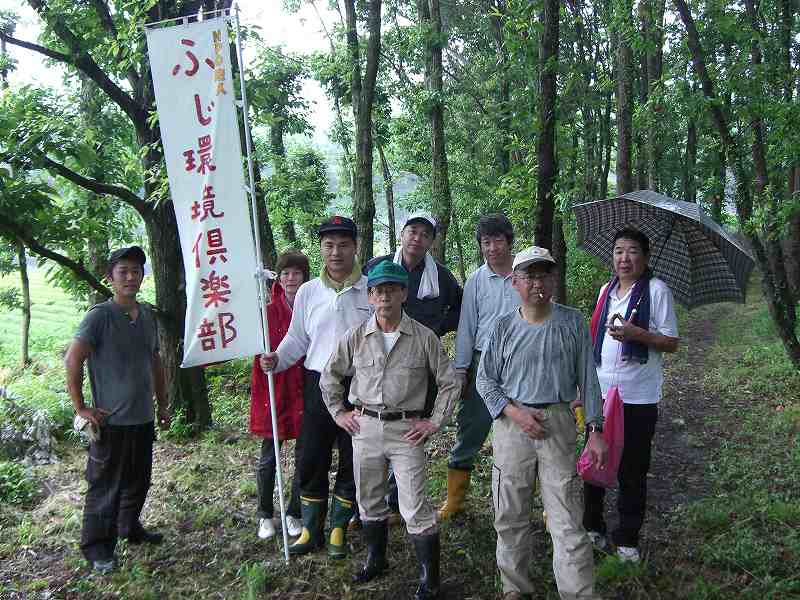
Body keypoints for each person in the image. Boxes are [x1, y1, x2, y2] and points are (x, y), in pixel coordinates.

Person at [320, 261, 459, 600]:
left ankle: (430, 578)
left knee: (414, 505)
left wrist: (434, 421)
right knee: (368, 499)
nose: (385, 296)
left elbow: (450, 382)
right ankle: (376, 559)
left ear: (404, 294)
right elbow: (329, 376)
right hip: (365, 428)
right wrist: (340, 413)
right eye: (378, 290)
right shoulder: (355, 337)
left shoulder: (423, 337)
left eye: (392, 290)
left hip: (406, 430)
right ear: (370, 296)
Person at [476, 246, 607, 600]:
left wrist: (595, 430)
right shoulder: (503, 327)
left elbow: (588, 380)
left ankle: (578, 593)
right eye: (529, 276)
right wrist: (515, 412)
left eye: (545, 274)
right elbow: (485, 380)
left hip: (558, 422)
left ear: (554, 279)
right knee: (510, 515)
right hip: (512, 427)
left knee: (566, 518)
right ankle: (514, 589)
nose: (538, 283)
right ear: (515, 282)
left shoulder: (572, 322)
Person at [260, 216, 371, 558]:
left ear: (355, 247)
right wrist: (277, 359)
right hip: (317, 381)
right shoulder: (309, 291)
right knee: (311, 455)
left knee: (354, 458)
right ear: (321, 249)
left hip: (360, 385)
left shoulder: (370, 288)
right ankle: (311, 529)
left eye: (343, 245)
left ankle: (338, 528)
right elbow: (298, 338)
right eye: (328, 245)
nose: (336, 252)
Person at [64, 246, 170, 574]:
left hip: (142, 417)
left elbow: (155, 361)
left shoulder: (147, 315)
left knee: (139, 480)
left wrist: (163, 405)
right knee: (105, 485)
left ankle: (129, 527)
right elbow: (73, 358)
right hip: (111, 421)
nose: (130, 277)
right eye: (122, 271)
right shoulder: (100, 316)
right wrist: (81, 407)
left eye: (136, 271)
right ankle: (97, 548)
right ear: (110, 278)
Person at [583, 228, 679, 563]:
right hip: (601, 394)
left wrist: (638, 333)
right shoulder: (605, 291)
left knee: (632, 469)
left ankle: (627, 538)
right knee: (593, 463)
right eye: (619, 251)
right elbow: (595, 337)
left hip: (638, 396)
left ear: (646, 257)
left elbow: (671, 341)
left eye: (633, 251)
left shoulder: (656, 290)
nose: (625, 258)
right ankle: (592, 527)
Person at [364, 211, 462, 519]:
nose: (417, 238)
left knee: (411, 425)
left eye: (425, 234)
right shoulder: (376, 267)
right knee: (379, 422)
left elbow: (458, 309)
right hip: (380, 360)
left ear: (431, 242)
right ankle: (373, 498)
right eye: (412, 231)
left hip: (422, 365)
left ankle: (400, 494)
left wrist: (434, 329)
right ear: (402, 234)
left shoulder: (441, 276)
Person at [440, 213, 520, 519]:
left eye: (498, 240)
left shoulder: (523, 274)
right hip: (481, 362)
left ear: (509, 242)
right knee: (471, 428)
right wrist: (461, 369)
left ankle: (525, 498)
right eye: (486, 242)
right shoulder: (476, 279)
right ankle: (455, 501)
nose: (492, 248)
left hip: (517, 363)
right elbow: (466, 326)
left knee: (521, 428)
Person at [249, 250, 310, 540]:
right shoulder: (266, 312)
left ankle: (294, 512)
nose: (290, 278)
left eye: (296, 273)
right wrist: (263, 360)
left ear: (304, 276)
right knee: (268, 457)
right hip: (273, 389)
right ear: (279, 277)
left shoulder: (312, 306)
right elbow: (255, 349)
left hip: (304, 388)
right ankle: (264, 513)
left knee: (304, 455)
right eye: (285, 273)